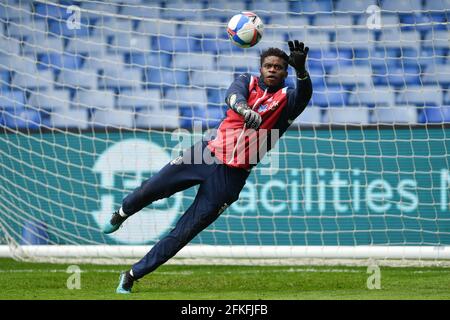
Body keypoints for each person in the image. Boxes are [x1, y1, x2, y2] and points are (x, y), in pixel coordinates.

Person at [103, 40, 313, 293]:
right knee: (152, 188)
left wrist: (302, 72)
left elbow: (304, 95)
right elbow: (232, 96)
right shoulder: (246, 82)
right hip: (205, 154)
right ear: (260, 69)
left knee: (184, 231)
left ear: (285, 72)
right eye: (267, 65)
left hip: (231, 177)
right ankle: (122, 213)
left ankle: (131, 275)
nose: (272, 70)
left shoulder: (286, 100)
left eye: (278, 67)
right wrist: (244, 109)